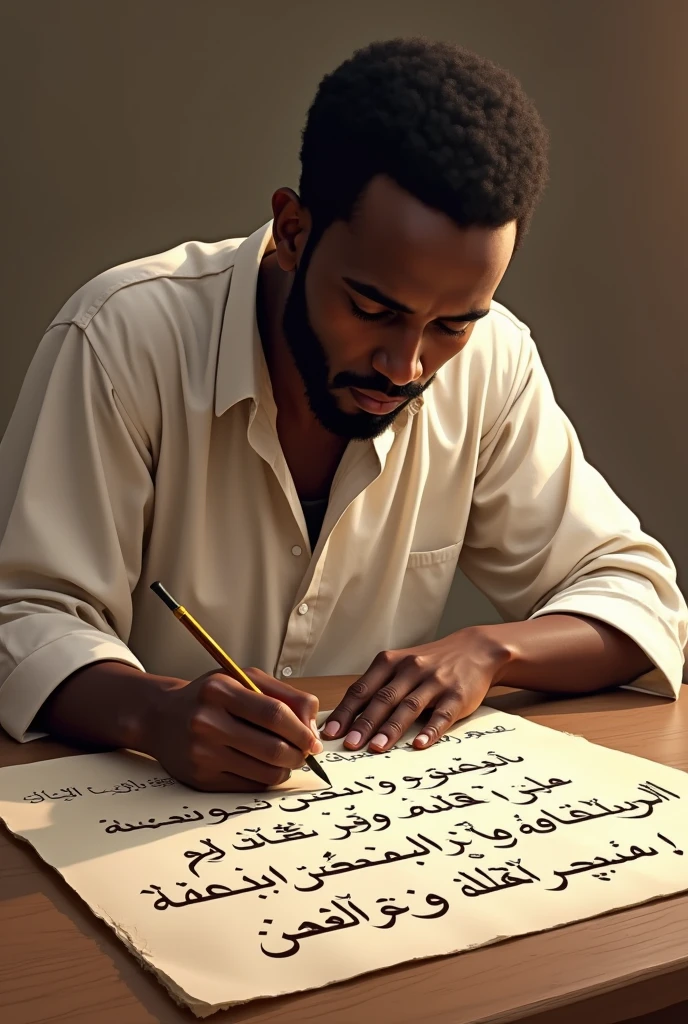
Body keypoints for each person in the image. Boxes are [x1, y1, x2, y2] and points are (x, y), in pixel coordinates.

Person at [0, 38, 685, 793]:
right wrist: (152, 713)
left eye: (453, 324)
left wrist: (492, 650)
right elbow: (23, 617)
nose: (408, 366)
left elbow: (637, 595)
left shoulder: (492, 359)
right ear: (293, 231)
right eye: (371, 308)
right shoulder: (123, 336)